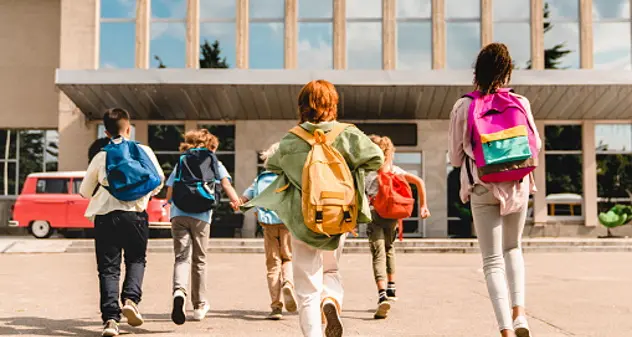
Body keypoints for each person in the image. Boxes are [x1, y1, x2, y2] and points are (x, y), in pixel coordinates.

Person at [242, 80, 384, 337]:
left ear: (302, 106)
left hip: (302, 219)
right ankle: (330, 300)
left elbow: (272, 166)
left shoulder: (291, 139)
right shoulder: (347, 133)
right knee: (331, 269)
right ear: (333, 104)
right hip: (338, 215)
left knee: (306, 287)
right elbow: (377, 158)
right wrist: (349, 170)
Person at [448, 43, 541, 337]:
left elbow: (454, 157)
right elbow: (535, 145)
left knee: (491, 261)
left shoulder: (464, 105)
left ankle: (504, 329)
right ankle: (520, 315)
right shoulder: (521, 102)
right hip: (517, 184)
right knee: (513, 249)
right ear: (507, 71)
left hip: (483, 183)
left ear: (477, 71)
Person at [80, 108, 164, 337]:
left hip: (106, 217)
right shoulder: (143, 150)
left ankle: (110, 321)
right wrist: (141, 195)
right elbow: (158, 180)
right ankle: (130, 299)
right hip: (136, 216)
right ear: (129, 129)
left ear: (106, 132)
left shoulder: (101, 155)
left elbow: (84, 191)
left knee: (108, 269)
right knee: (136, 259)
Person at [165, 129, 241, 325]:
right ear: (211, 146)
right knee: (199, 260)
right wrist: (236, 202)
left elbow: (170, 190)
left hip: (179, 214)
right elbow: (225, 185)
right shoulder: (214, 161)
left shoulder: (182, 160)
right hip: (201, 216)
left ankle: (178, 292)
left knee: (181, 257)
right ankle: (199, 306)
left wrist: (169, 204)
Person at [365, 135, 430, 319]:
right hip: (392, 216)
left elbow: (360, 196)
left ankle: (382, 294)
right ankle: (391, 288)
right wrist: (423, 206)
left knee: (378, 253)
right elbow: (420, 182)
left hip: (375, 216)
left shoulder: (368, 172)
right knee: (389, 249)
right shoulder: (395, 170)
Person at [239, 142, 297, 320]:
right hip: (287, 223)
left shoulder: (260, 178)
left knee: (273, 264)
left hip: (267, 225)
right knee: (288, 258)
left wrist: (238, 202)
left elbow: (245, 198)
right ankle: (288, 282)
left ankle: (276, 306)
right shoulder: (288, 177)